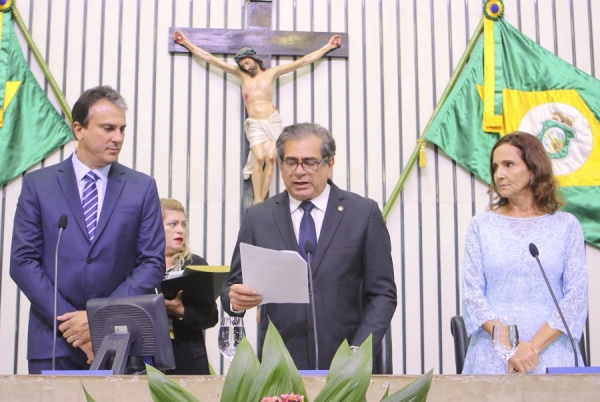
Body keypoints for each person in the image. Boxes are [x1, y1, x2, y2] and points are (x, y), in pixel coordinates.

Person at [10, 86, 166, 374]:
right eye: (108, 128)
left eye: (122, 129)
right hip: (54, 340)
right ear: (79, 129)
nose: (117, 138)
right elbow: (23, 262)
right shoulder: (38, 186)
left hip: (123, 340)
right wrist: (72, 323)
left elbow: (152, 263)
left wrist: (97, 320)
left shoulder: (141, 188)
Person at [221, 122, 397, 370]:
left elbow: (382, 294)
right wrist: (234, 300)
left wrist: (358, 351)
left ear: (330, 164)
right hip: (280, 364)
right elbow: (232, 286)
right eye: (290, 162)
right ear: (280, 165)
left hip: (348, 362)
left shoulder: (363, 214)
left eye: (310, 162)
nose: (299, 171)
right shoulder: (258, 218)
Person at [461, 132, 588, 374]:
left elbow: (576, 298)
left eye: (509, 164)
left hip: (551, 352)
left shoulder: (566, 225)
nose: (499, 174)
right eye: (495, 166)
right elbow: (473, 296)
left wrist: (531, 349)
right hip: (494, 352)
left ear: (533, 169)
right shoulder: (481, 226)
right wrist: (510, 348)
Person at [173, 30, 342, 204]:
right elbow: (209, 58)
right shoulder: (241, 75)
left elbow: (303, 61)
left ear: (254, 59)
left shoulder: (272, 73)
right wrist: (186, 42)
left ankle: (262, 197)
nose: (246, 67)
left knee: (271, 157)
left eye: (247, 63)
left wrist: (328, 46)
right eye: (243, 65)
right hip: (255, 123)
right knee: (259, 157)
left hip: (272, 121)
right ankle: (258, 199)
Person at [160, 198, 218, 375]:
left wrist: (181, 311)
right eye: (173, 224)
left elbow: (211, 316)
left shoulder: (195, 265)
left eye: (183, 224)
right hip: (148, 361)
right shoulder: (140, 265)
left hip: (188, 360)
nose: (180, 230)